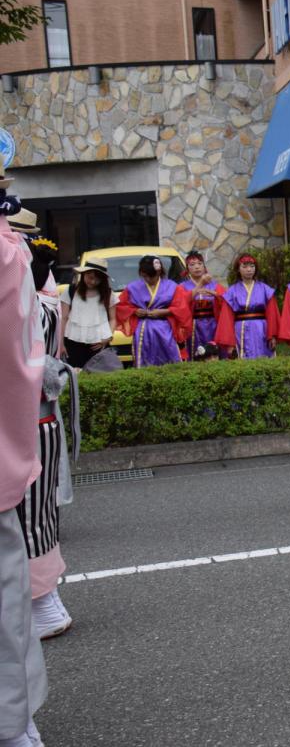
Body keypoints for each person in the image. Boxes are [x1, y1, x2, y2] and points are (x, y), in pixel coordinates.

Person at [0, 179, 49, 747]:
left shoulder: (16, 257)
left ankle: (14, 725)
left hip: (35, 413)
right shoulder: (18, 258)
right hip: (21, 423)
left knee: (35, 528)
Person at [21, 239, 77, 641]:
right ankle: (43, 600)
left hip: (26, 413)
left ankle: (42, 600)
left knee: (29, 512)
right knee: (37, 511)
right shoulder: (39, 283)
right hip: (38, 412)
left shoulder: (23, 271)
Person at [115, 254, 191, 367]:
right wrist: (135, 311)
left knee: (169, 360)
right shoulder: (132, 288)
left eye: (152, 276)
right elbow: (121, 306)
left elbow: (182, 308)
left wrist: (164, 312)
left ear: (159, 272)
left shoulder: (172, 286)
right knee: (144, 361)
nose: (148, 279)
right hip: (143, 331)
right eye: (145, 276)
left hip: (165, 329)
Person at [216, 254, 278, 360]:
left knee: (263, 359)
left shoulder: (265, 289)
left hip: (261, 329)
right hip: (240, 330)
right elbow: (227, 318)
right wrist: (230, 343)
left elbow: (272, 313)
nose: (249, 269)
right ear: (238, 269)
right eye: (244, 267)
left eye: (252, 266)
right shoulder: (232, 291)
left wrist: (272, 335)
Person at [180, 251, 226, 360]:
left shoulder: (215, 285)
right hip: (193, 325)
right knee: (195, 354)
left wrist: (214, 294)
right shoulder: (182, 286)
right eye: (192, 265)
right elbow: (181, 304)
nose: (197, 267)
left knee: (213, 353)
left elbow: (226, 301)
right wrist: (200, 285)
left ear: (204, 266)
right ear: (187, 269)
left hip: (212, 324)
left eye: (200, 263)